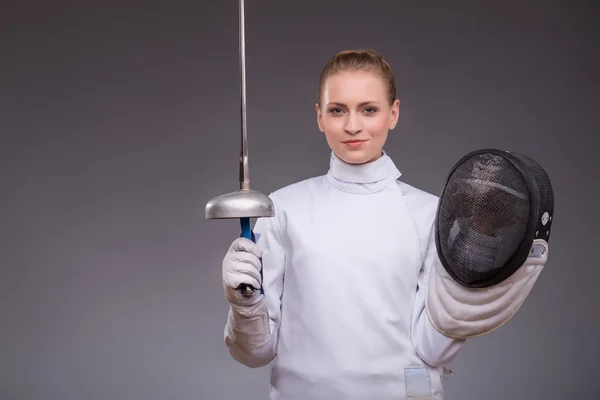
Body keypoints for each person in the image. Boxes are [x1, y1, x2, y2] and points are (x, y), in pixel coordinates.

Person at [221, 49, 466, 399]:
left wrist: (472, 301)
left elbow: (435, 348)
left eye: (369, 109)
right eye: (337, 110)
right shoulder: (283, 207)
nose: (353, 125)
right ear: (319, 117)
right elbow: (254, 353)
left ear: (393, 113)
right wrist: (244, 305)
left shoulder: (430, 213)